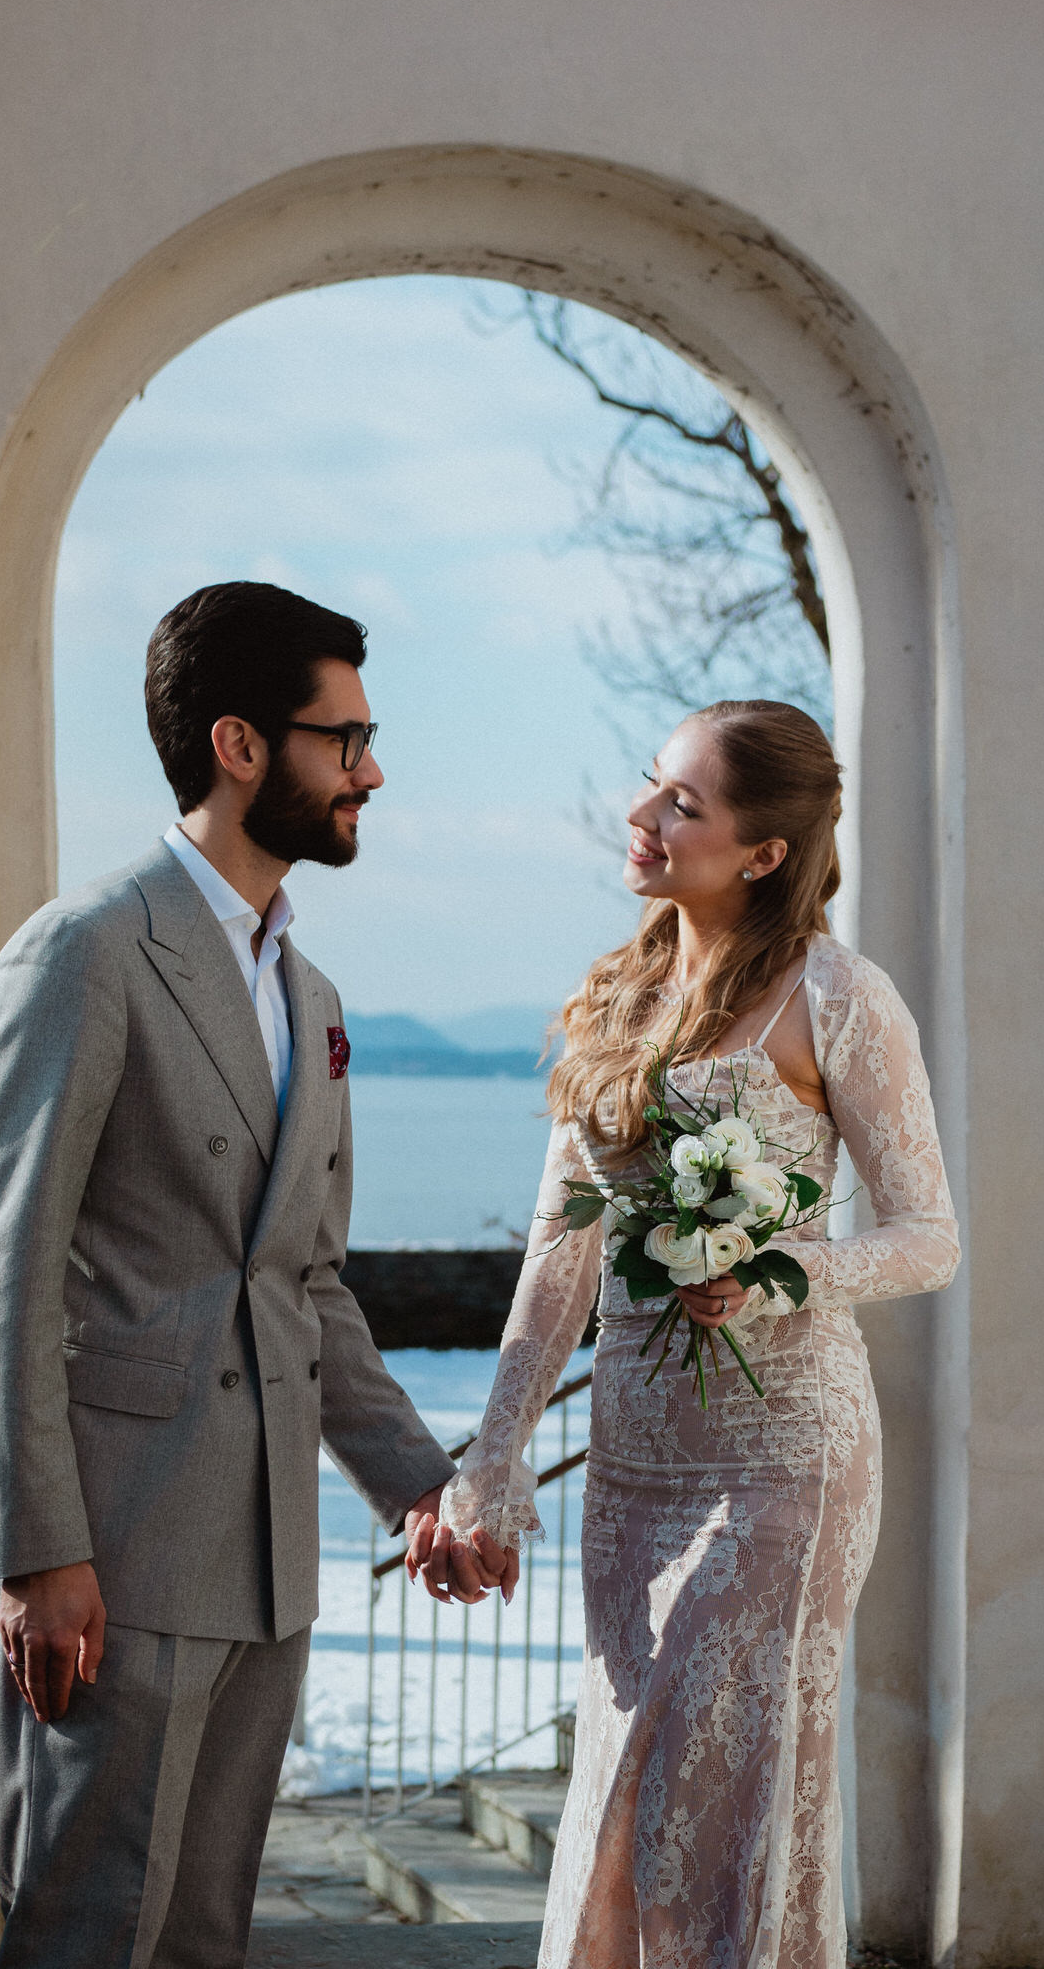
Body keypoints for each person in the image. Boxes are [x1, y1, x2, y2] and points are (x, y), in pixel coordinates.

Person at [0, 581, 495, 1967]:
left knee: (199, 1938)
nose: (370, 768)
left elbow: (305, 1286)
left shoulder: (312, 997)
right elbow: (0, 1274)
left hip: (266, 1562)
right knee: (85, 1928)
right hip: (108, 1552)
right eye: (341, 737)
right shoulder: (84, 952)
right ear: (239, 746)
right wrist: (38, 1552)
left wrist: (418, 1484)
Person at [413, 699, 961, 1969]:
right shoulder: (621, 992)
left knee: (714, 1808)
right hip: (637, 1468)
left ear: (762, 851)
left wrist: (780, 1271)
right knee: (622, 1793)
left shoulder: (842, 996)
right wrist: (492, 1459)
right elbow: (561, 1247)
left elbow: (930, 1235)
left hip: (787, 1464)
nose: (640, 815)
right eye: (654, 787)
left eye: (681, 802)